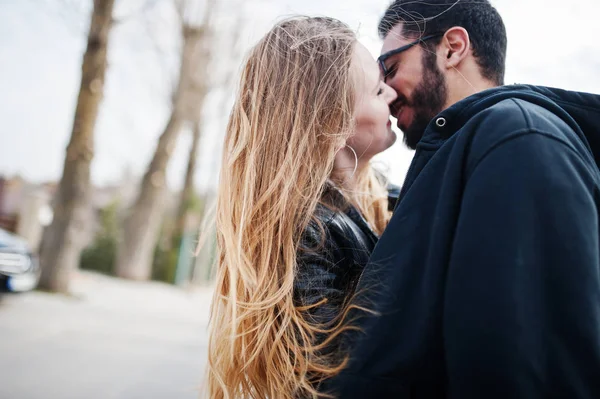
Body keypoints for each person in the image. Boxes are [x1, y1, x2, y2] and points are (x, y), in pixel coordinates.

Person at [329, 0, 600, 397]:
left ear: (452, 47)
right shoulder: (464, 155)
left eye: (390, 67)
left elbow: (533, 369)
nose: (385, 88)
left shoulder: (517, 141)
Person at [206, 16, 399, 399]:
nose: (392, 94)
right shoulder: (308, 232)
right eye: (378, 91)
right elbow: (330, 376)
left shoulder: (375, 198)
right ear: (334, 122)